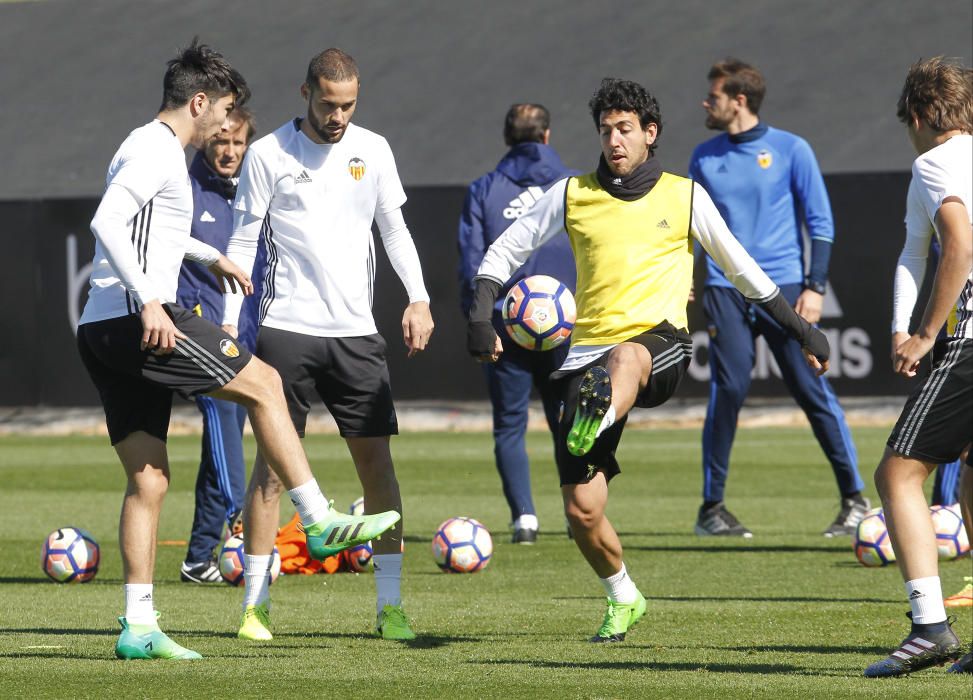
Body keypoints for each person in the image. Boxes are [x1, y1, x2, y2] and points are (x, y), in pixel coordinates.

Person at [468, 77, 830, 643]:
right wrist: (480, 311)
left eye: (625, 129)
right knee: (582, 513)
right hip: (581, 358)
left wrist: (802, 328)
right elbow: (505, 249)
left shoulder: (683, 195)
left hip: (660, 344)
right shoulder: (570, 194)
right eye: (606, 130)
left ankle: (596, 417)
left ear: (649, 134)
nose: (614, 140)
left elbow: (739, 267)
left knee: (629, 356)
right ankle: (623, 595)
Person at [75, 39, 400, 661]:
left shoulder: (141, 144)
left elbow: (153, 230)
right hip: (142, 319)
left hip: (99, 327)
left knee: (148, 480)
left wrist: (206, 254)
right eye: (221, 110)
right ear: (197, 103)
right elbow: (108, 222)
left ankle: (138, 626)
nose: (225, 124)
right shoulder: (158, 151)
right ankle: (317, 516)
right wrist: (148, 300)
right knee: (266, 386)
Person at [222, 48, 434, 643]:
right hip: (285, 329)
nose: (338, 116)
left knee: (377, 468)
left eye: (348, 105)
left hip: (357, 334)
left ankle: (389, 606)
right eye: (328, 103)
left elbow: (393, 227)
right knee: (269, 474)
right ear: (305, 93)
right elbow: (241, 241)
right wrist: (230, 327)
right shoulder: (266, 155)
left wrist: (417, 297)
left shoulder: (376, 149)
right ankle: (255, 608)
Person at [689, 58, 868, 538]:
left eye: (715, 96)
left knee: (811, 390)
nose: (706, 103)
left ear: (739, 100)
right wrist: (684, 277)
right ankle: (711, 509)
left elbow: (821, 223)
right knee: (727, 390)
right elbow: (690, 230)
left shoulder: (792, 149)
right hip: (726, 289)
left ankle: (854, 500)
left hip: (784, 289)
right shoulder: (703, 157)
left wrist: (815, 286)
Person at [863, 56, 973, 678]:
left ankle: (929, 626)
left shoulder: (936, 161)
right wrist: (899, 330)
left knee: (899, 474)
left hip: (971, 338)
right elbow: (914, 249)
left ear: (919, 115)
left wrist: (927, 333)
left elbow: (958, 244)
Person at [457, 103, 575, 544]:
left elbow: (472, 261)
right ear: (547, 136)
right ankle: (576, 512)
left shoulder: (485, 189)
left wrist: (478, 320)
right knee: (569, 421)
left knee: (509, 424)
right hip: (565, 325)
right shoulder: (575, 187)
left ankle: (524, 519)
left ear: (508, 138)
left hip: (507, 325)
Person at [176, 106, 261, 584]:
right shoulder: (184, 192)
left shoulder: (250, 194)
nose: (229, 151)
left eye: (238, 143)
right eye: (220, 142)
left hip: (242, 338)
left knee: (220, 449)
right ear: (204, 141)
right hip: (199, 336)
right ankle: (239, 522)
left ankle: (198, 557)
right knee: (222, 425)